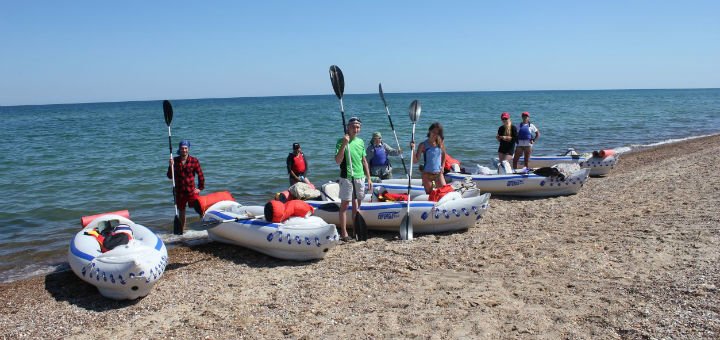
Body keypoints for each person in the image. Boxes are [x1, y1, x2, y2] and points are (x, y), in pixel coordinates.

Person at [335, 117, 372, 241]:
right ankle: (344, 234)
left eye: (358, 127)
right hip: (347, 177)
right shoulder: (341, 141)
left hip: (360, 177)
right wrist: (345, 144)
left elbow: (364, 161)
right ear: (348, 128)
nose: (355, 129)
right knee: (345, 205)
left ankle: (356, 231)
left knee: (357, 206)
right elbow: (337, 160)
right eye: (353, 126)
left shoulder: (361, 142)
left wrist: (369, 178)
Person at [166, 139, 204, 234]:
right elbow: (170, 176)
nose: (184, 150)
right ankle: (182, 231)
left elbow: (200, 175)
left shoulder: (194, 161)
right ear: (179, 149)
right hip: (179, 192)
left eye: (186, 148)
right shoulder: (174, 161)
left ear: (188, 149)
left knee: (200, 209)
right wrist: (170, 166)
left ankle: (205, 227)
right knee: (182, 212)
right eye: (182, 148)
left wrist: (200, 188)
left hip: (191, 191)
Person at [412, 122, 447, 194]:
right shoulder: (423, 145)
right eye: (433, 132)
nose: (435, 134)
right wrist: (413, 150)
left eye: (437, 133)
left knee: (444, 192)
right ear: (430, 131)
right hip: (426, 174)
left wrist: (443, 166)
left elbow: (444, 155)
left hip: (438, 174)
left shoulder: (440, 143)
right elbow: (415, 161)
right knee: (429, 194)